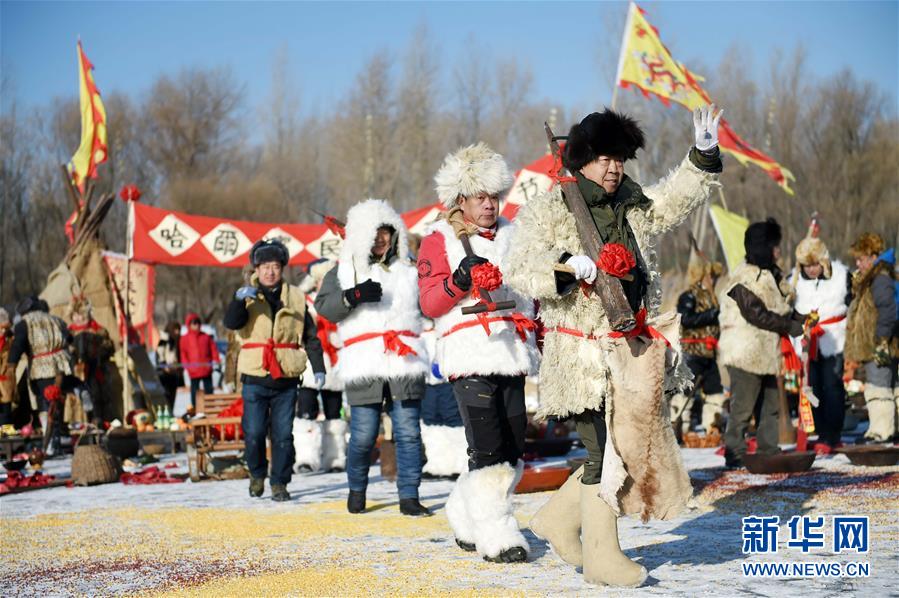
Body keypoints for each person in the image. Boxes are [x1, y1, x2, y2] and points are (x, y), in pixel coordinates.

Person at [506, 106, 723, 586]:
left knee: (617, 449)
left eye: (620, 158)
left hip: (631, 347)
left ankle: (559, 521)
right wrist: (565, 266)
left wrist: (701, 157)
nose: (613, 167)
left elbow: (671, 202)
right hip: (582, 354)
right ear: (582, 159)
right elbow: (518, 265)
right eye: (604, 158)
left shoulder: (631, 200)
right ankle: (602, 556)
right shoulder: (552, 206)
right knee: (601, 451)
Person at [418, 143, 539, 562]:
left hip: (511, 349)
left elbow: (530, 292)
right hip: (469, 353)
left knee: (513, 444)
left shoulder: (515, 234)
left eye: (494, 196)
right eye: (480, 197)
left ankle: (462, 507)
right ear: (461, 200)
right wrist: (458, 280)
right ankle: (498, 534)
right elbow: (429, 304)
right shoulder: (438, 240)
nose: (489, 205)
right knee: (487, 446)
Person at [315, 199, 431, 517]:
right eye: (374, 233)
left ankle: (409, 495)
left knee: (408, 432)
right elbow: (324, 306)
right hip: (365, 360)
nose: (381, 239)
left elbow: (428, 305)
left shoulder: (408, 271)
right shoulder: (344, 270)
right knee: (364, 434)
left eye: (386, 232)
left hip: (403, 360)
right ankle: (357, 489)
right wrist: (352, 296)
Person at [224, 239, 326, 501]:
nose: (270, 271)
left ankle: (280, 482)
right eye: (264, 266)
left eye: (275, 266)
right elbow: (232, 323)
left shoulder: (295, 297)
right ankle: (257, 474)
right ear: (256, 269)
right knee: (255, 432)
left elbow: (310, 336)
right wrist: (237, 300)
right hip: (255, 376)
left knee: (282, 436)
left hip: (286, 378)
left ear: (282, 268)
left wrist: (318, 368)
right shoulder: (246, 295)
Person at [718, 219, 804, 468]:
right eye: (774, 246)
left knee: (770, 405)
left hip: (766, 352)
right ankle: (734, 452)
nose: (778, 251)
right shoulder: (742, 277)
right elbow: (755, 313)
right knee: (743, 407)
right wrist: (790, 326)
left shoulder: (772, 275)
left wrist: (803, 319)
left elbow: (782, 309)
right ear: (763, 247)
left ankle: (768, 448)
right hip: (745, 351)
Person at [790, 236, 850, 451]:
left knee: (832, 386)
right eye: (807, 265)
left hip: (833, 340)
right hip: (806, 342)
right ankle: (818, 431)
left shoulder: (841, 277)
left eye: (815, 264)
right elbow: (790, 313)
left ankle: (832, 433)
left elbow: (853, 306)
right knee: (811, 388)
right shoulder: (794, 282)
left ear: (823, 262)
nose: (812, 270)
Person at [294, 258, 347, 474]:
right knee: (306, 412)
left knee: (334, 413)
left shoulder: (341, 302)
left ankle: (335, 457)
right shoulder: (305, 302)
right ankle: (306, 459)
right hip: (309, 363)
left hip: (334, 364)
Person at [844, 233, 897, 442]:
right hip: (879, 342)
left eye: (861, 258)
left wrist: (882, 340)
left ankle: (881, 431)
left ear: (873, 256)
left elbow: (887, 310)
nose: (858, 263)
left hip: (879, 343)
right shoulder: (877, 276)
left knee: (879, 387)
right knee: (891, 386)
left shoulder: (880, 278)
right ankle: (892, 427)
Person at [8, 296, 74, 455]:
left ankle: (49, 444)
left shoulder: (25, 323)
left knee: (46, 407)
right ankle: (54, 443)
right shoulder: (56, 320)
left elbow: (18, 345)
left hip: (42, 367)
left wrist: (12, 365)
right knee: (57, 404)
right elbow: (69, 338)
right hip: (62, 365)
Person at [675, 258, 726, 435]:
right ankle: (681, 429)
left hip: (710, 354)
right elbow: (686, 320)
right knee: (686, 394)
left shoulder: (713, 298)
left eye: (715, 277)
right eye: (710, 276)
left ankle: (712, 427)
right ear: (702, 276)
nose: (713, 280)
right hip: (692, 353)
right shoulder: (688, 296)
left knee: (715, 392)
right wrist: (711, 314)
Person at [67, 296, 114, 424]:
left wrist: (97, 355)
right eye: (76, 315)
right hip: (74, 373)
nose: (79, 318)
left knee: (96, 395)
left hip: (95, 371)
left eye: (82, 315)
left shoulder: (98, 330)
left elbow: (108, 348)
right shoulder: (68, 333)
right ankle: (78, 423)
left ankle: (97, 421)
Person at [179, 313, 220, 407]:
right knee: (194, 391)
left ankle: (210, 407)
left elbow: (213, 349)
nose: (196, 325)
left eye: (197, 322)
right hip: (194, 370)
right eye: (194, 323)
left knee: (209, 390)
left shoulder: (206, 337)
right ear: (189, 324)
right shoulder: (184, 338)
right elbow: (183, 353)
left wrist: (215, 361)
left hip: (206, 369)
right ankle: (195, 408)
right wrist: (187, 366)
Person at [156, 321, 184, 415]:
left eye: (178, 330)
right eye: (175, 329)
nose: (177, 332)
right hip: (164, 373)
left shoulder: (177, 340)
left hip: (174, 372)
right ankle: (165, 414)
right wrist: (164, 366)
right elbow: (160, 353)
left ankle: (171, 412)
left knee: (173, 395)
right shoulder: (164, 339)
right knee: (165, 395)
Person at [0, 308, 15, 424]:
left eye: (5, 328)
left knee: (6, 405)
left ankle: (6, 430)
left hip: (6, 377)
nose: (3, 331)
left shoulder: (10, 340)